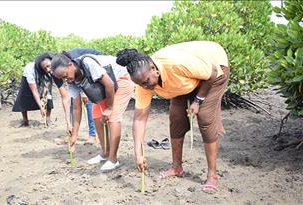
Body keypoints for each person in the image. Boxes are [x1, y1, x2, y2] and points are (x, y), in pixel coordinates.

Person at [116, 41, 230, 192]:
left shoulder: (175, 64)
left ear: (153, 69)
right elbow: (139, 119)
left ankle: (212, 175)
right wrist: (138, 153)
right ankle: (177, 167)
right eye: (141, 85)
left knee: (205, 117)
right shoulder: (143, 82)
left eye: (147, 82)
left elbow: (212, 73)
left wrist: (197, 101)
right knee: (176, 119)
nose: (146, 87)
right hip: (186, 81)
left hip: (214, 67)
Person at [51, 52, 134, 171]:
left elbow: (109, 84)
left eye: (65, 75)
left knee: (113, 118)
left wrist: (109, 109)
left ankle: (113, 159)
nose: (66, 80)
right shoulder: (71, 81)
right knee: (96, 115)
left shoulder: (87, 63)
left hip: (121, 78)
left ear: (70, 65)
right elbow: (76, 108)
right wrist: (74, 135)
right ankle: (105, 153)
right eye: (63, 79)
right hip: (105, 86)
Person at [12, 52, 70, 130]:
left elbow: (50, 90)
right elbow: (34, 91)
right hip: (29, 81)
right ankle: (25, 121)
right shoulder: (30, 69)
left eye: (49, 66)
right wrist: (41, 107)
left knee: (48, 96)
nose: (48, 69)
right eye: (45, 67)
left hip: (43, 79)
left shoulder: (54, 68)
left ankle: (48, 119)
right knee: (24, 97)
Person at [64, 48, 103, 145]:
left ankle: (92, 135)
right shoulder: (63, 67)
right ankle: (74, 133)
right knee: (75, 104)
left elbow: (84, 75)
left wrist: (85, 93)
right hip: (83, 74)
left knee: (90, 103)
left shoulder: (74, 61)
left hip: (95, 69)